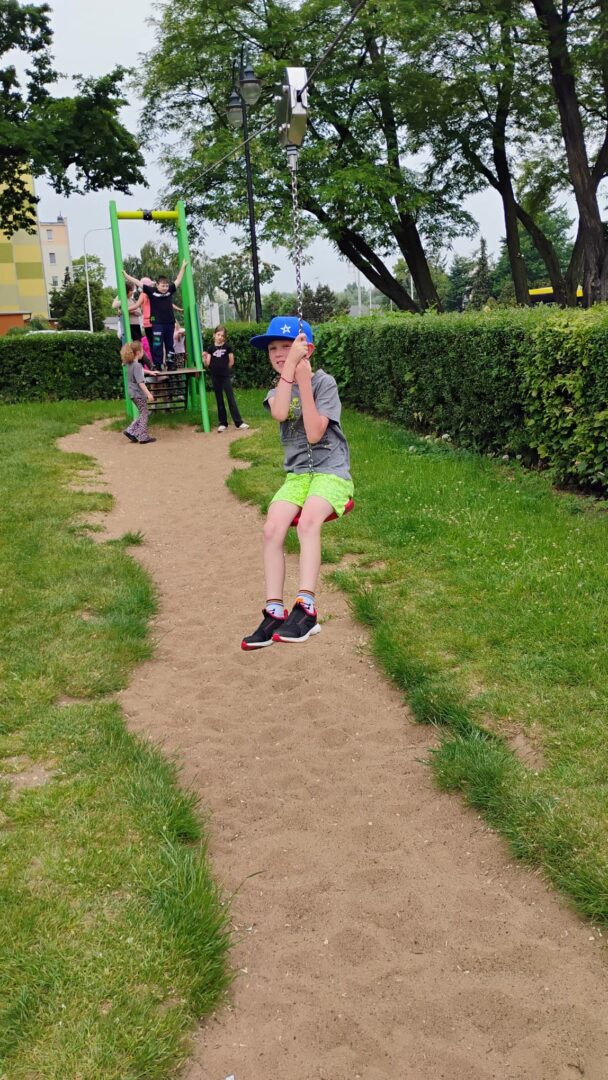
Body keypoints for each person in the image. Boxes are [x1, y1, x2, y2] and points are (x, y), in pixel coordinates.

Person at [241, 315, 353, 649]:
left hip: (331, 471)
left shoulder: (324, 383)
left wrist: (304, 381)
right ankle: (275, 611)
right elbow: (279, 413)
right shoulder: (277, 390)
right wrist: (291, 370)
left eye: (286, 347)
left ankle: (306, 607)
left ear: (307, 349)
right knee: (271, 528)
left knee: (307, 523)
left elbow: (315, 433)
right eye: (272, 348)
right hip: (298, 475)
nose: (278, 354)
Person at [123, 262, 187, 371]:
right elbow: (138, 283)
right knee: (157, 344)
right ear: (157, 285)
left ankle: (170, 363)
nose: (165, 288)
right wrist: (126, 276)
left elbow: (178, 280)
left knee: (170, 345)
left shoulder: (170, 291)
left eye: (166, 286)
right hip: (157, 324)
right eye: (163, 286)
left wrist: (183, 267)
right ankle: (158, 364)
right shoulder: (151, 291)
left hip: (169, 323)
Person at [203, 325, 249, 432]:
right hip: (215, 376)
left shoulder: (227, 347)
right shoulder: (210, 348)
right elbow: (207, 364)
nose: (220, 337)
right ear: (214, 335)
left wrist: (225, 369)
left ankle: (239, 422)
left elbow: (231, 361)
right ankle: (223, 423)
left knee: (230, 398)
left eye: (222, 336)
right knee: (219, 399)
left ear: (225, 337)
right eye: (218, 335)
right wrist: (204, 358)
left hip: (225, 376)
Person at [121, 340, 157, 444]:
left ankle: (131, 431)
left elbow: (139, 371)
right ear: (138, 353)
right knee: (145, 414)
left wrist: (150, 372)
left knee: (143, 413)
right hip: (138, 394)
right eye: (142, 351)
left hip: (133, 394)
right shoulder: (137, 365)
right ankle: (142, 436)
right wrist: (148, 394)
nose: (143, 353)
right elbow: (140, 382)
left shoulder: (130, 364)